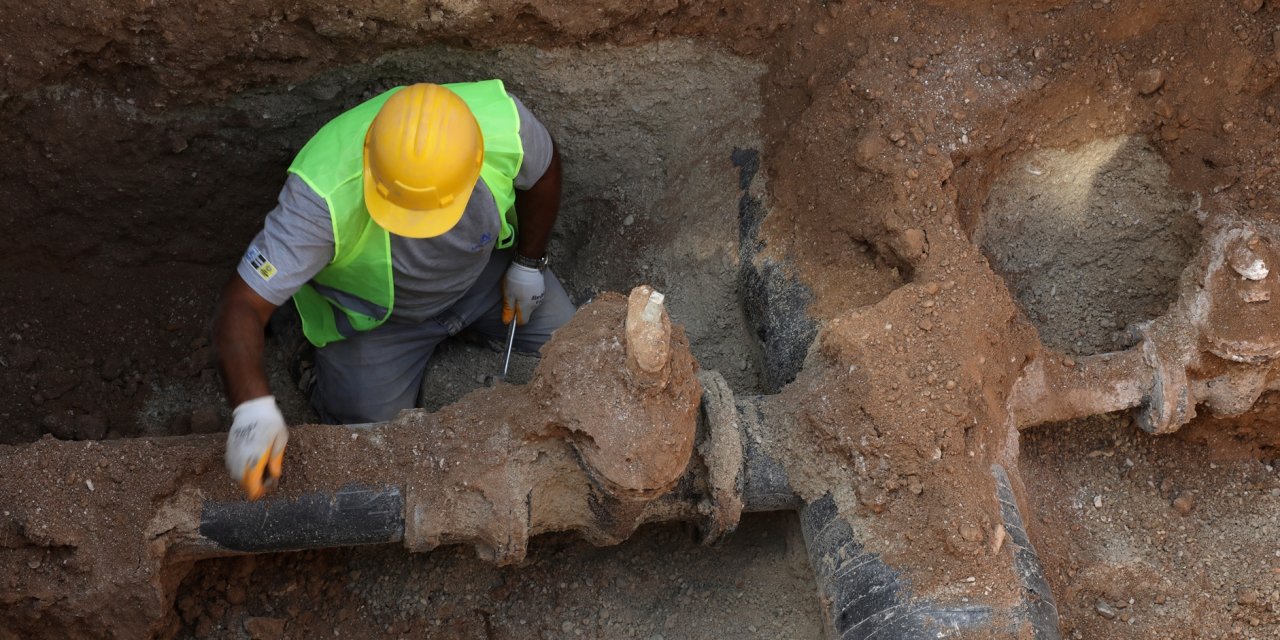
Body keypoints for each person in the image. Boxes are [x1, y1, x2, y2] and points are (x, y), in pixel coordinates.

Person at [215, 81, 575, 499]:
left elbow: (545, 171)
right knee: (376, 443)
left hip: (483, 281)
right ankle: (311, 365)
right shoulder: (321, 195)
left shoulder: (502, 123)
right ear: (369, 159)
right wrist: (253, 408)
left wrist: (528, 263)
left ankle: (463, 324)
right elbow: (241, 304)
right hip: (377, 324)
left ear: (476, 161)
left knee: (571, 340)